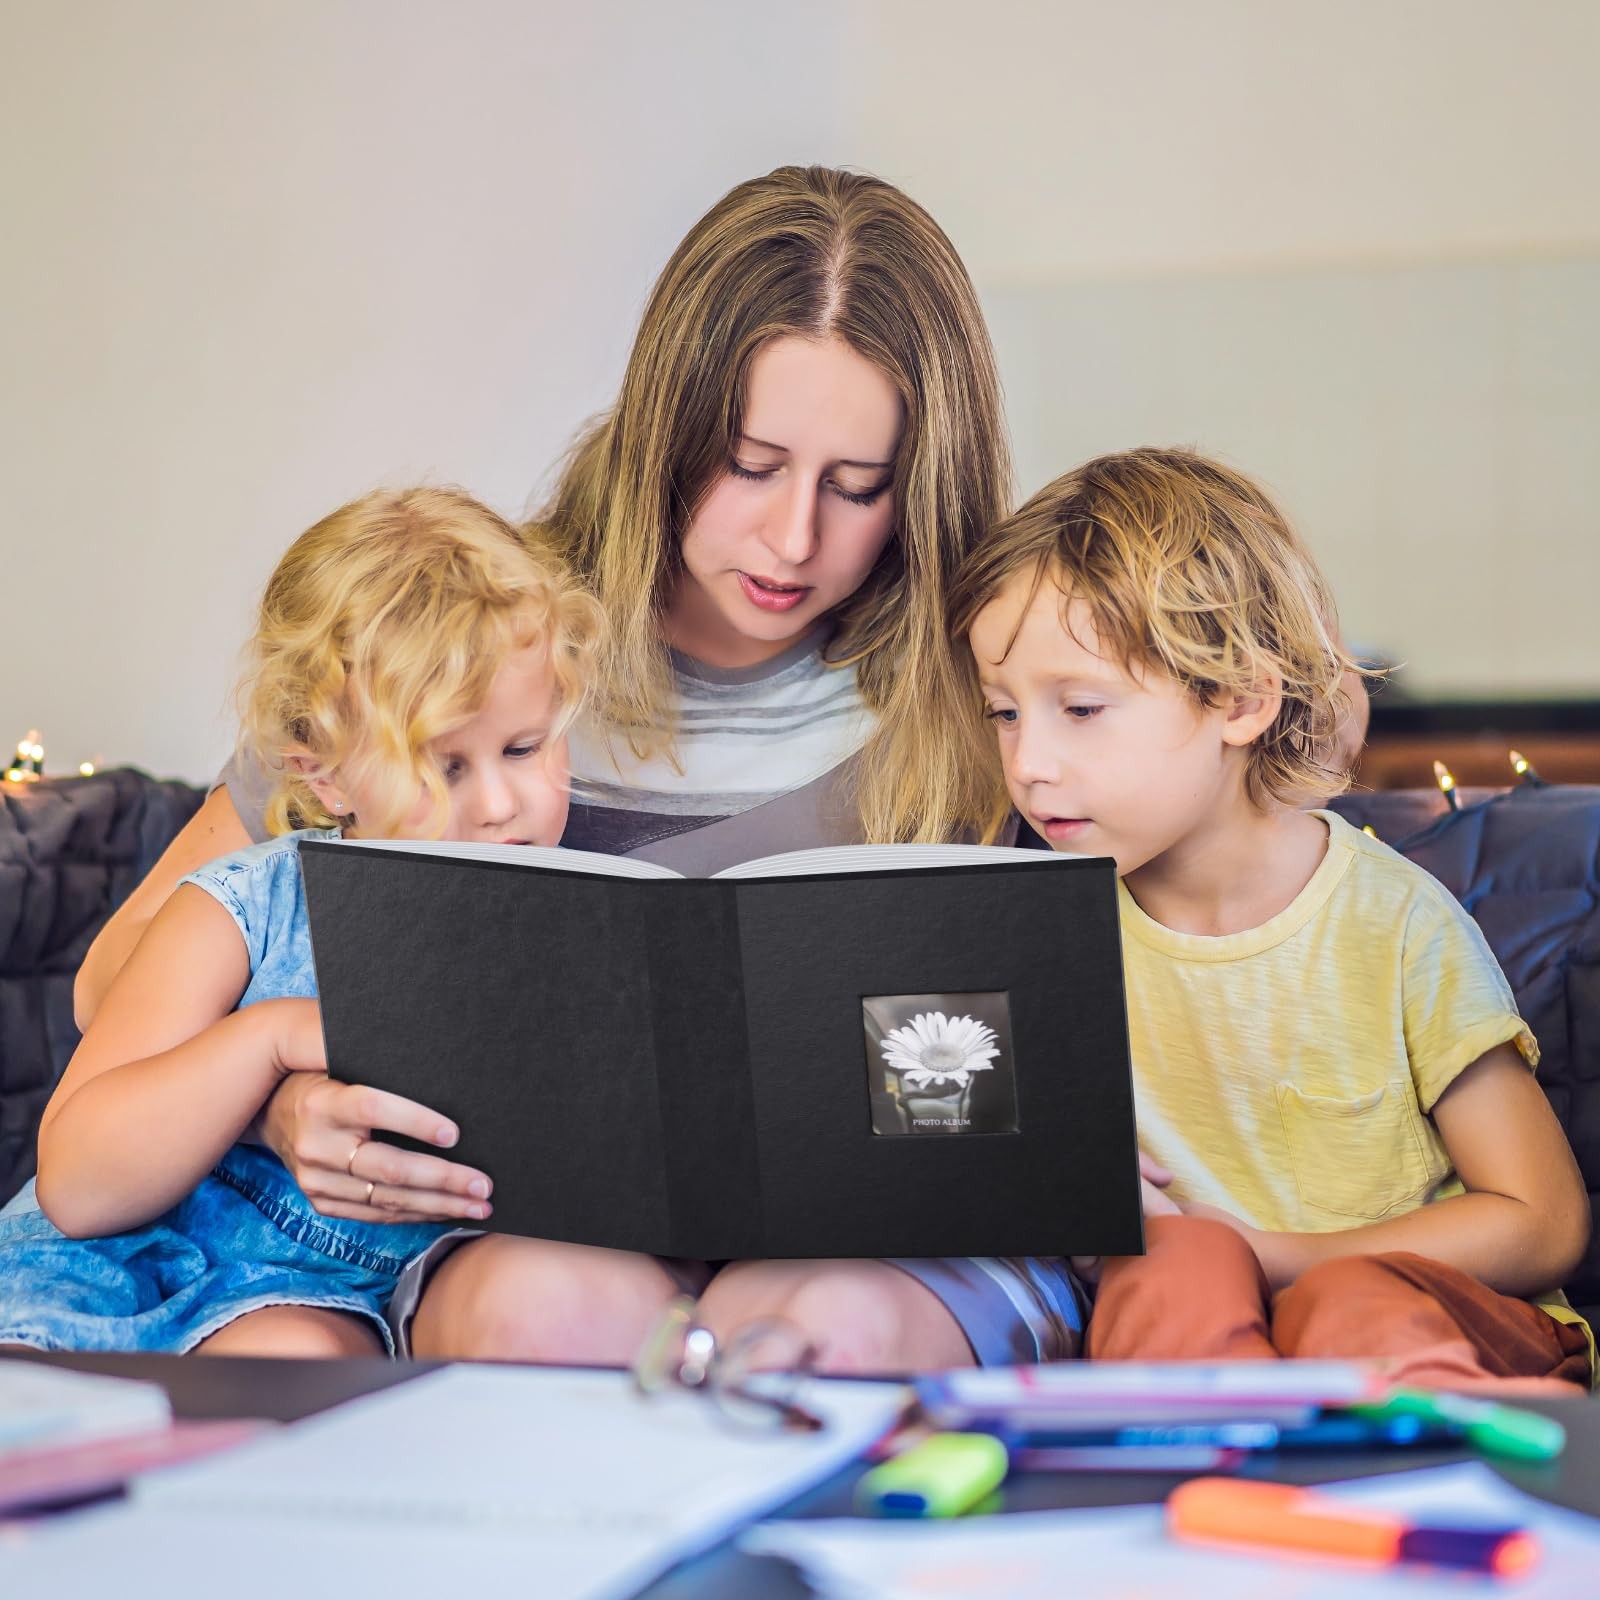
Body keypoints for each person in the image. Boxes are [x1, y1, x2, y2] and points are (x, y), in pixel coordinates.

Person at [71, 167, 1082, 1372]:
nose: (793, 538)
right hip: (528, 1241)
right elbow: (114, 992)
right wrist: (283, 1100)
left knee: (820, 1330)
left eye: (857, 489)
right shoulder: (467, 643)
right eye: (750, 465)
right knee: (541, 1309)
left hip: (880, 1243)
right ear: (666, 424)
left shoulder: (994, 678)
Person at [950, 446, 1593, 1390]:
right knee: (1170, 1268)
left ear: (1242, 701)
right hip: (1203, 1322)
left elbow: (1543, 1223)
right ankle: (1192, 1483)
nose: (1030, 763)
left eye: (1080, 709)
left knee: (1343, 1301)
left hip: (1438, 1311)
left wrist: (1268, 1253)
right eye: (1005, 714)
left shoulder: (1394, 925)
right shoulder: (1044, 941)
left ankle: (1455, 1460)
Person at [0, 487, 606, 1356]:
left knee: (293, 1364)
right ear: (324, 778)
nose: (502, 805)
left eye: (525, 747)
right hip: (108, 1276)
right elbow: (78, 1181)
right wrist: (268, 1040)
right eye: (444, 766)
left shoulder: (591, 930)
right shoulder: (249, 908)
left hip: (321, 1305)